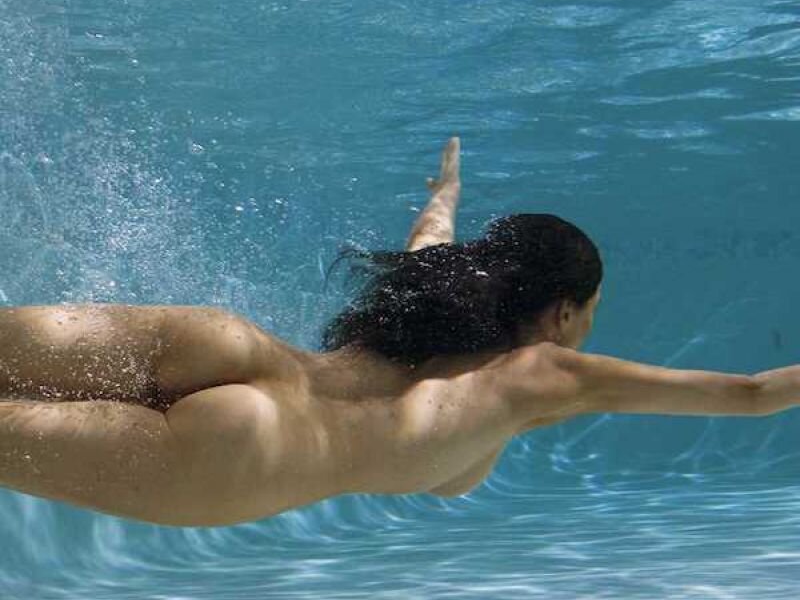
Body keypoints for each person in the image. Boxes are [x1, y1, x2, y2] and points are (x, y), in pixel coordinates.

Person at [0, 137, 795, 528]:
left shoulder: (426, 290)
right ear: (562, 312)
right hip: (251, 457)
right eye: (592, 310)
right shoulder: (541, 375)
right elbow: (753, 394)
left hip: (229, 344)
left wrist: (446, 192)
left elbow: (432, 238)